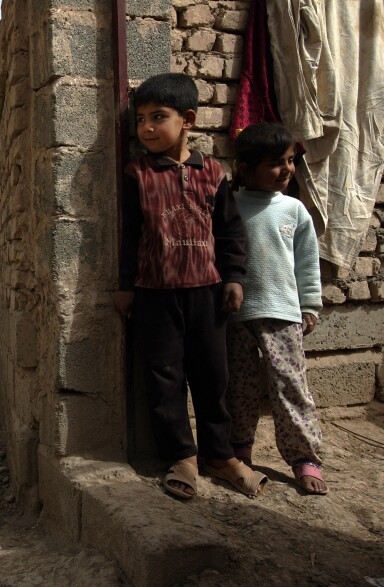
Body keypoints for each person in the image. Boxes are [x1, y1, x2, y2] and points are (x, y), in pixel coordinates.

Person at [113, 72, 266, 499]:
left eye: (158, 117)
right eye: (140, 119)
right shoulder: (137, 174)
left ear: (189, 120)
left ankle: (220, 454)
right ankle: (181, 455)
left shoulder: (213, 173)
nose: (146, 128)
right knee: (164, 378)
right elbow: (128, 235)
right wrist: (126, 286)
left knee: (213, 376)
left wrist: (234, 278)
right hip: (154, 294)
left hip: (207, 293)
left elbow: (231, 232)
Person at [226, 123, 328, 495]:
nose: (287, 169)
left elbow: (306, 262)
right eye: (275, 163)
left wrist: (310, 305)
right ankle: (239, 448)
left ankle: (305, 457)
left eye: (289, 161)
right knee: (239, 386)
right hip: (236, 315)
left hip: (283, 312)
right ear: (245, 168)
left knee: (290, 385)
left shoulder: (294, 210)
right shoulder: (230, 206)